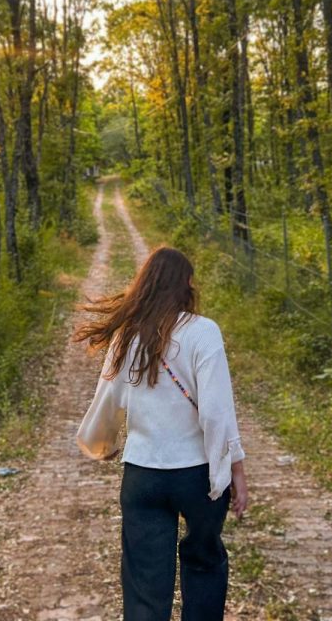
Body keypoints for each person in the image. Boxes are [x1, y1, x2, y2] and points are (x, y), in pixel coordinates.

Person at [75, 246, 248, 621]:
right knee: (204, 563)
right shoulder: (204, 332)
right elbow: (217, 414)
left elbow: (107, 400)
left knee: (144, 584)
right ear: (186, 284)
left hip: (144, 474)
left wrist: (103, 444)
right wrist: (231, 473)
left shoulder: (126, 338)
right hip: (197, 476)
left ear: (147, 284)